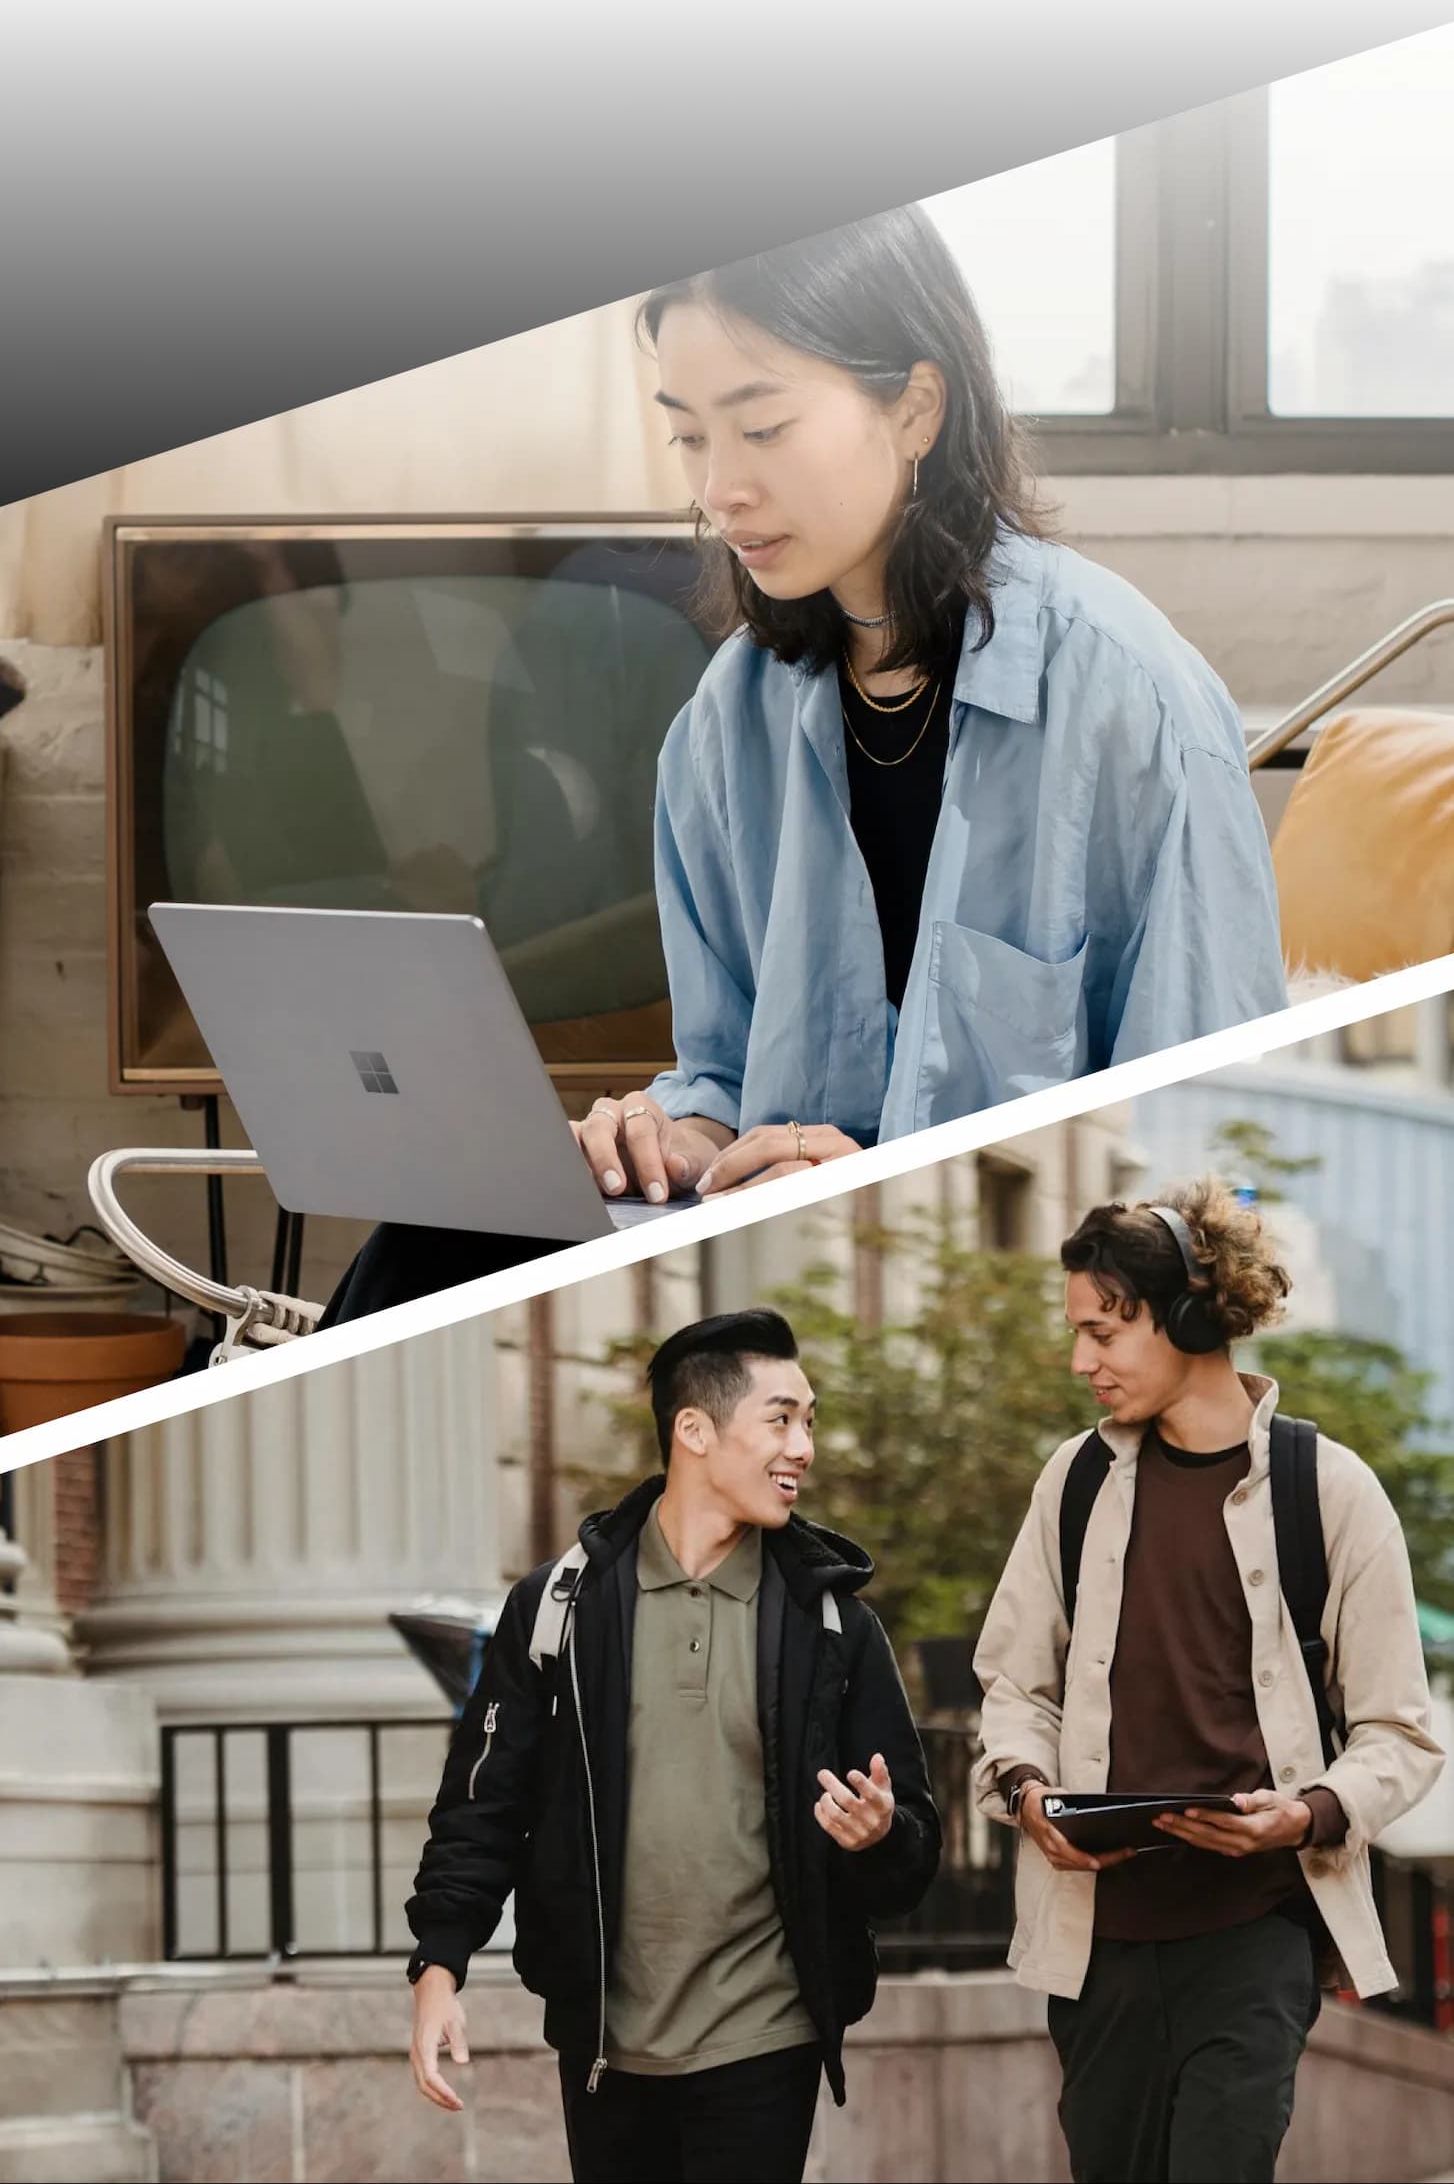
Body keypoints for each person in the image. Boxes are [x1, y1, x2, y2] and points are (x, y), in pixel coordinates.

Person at [318, 203, 1287, 1325]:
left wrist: (878, 1189)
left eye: (762, 427)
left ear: (914, 407)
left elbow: (1197, 1148)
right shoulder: (726, 720)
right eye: (688, 435)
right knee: (441, 1229)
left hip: (971, 1293)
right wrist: (674, 1133)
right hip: (767, 1244)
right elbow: (721, 1068)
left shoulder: (1134, 710)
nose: (717, 486)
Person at [972, 1182, 1445, 2184]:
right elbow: (1014, 1683)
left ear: (1188, 1317)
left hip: (1251, 1936)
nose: (1078, 1362)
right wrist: (1024, 1792)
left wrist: (1306, 1813)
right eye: (1074, 1334)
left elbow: (1399, 1733)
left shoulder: (1332, 1492)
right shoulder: (1074, 1481)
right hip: (1094, 1942)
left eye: (1102, 1331)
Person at [404, 1308, 941, 2184]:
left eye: (810, 1421)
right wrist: (439, 1966)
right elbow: (482, 1802)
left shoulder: (832, 1622)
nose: (804, 1445)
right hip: (606, 2037)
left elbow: (915, 1848)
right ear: (694, 1430)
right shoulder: (559, 1610)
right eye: (781, 1419)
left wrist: (883, 1835)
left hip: (767, 2031)